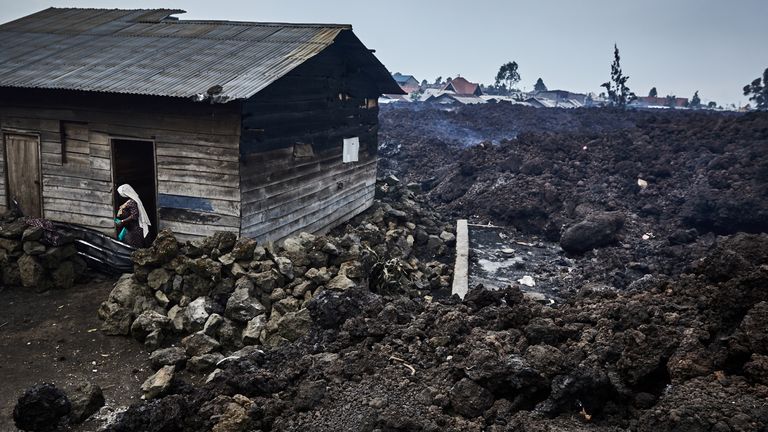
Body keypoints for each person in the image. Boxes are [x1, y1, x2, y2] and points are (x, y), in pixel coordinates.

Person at [115, 184, 151, 248]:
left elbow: (135, 215)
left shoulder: (132, 202)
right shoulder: (133, 200)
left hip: (135, 229)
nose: (120, 195)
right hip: (134, 228)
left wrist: (123, 221)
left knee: (134, 246)